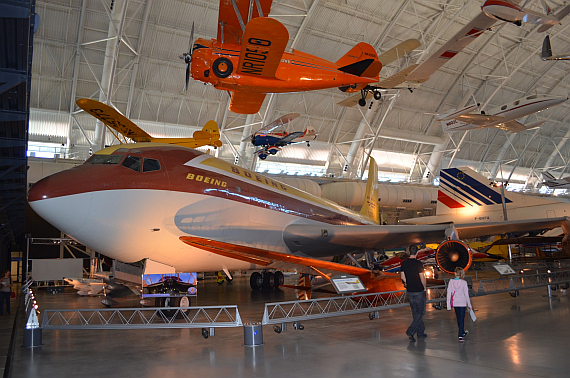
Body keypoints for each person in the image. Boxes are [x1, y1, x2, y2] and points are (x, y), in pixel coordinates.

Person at [400, 247, 427, 342]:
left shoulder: (404, 263)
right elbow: (422, 277)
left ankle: (420, 332)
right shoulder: (419, 263)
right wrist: (424, 287)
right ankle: (411, 330)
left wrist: (409, 282)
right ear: (417, 253)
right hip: (419, 290)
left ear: (408, 252)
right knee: (421, 312)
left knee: (415, 312)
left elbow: (402, 276)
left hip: (410, 290)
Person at [447, 267, 472, 342]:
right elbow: (466, 295)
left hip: (455, 302)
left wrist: (448, 305)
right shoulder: (464, 283)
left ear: (455, 273)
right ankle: (460, 335)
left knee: (458, 318)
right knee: (462, 318)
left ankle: (462, 332)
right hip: (462, 303)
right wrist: (469, 305)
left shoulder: (451, 282)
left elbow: (449, 294)